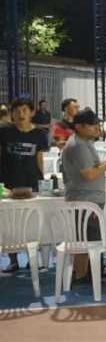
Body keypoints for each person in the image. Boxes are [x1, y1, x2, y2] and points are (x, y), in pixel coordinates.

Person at [62, 109, 106, 283]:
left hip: (89, 199)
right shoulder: (78, 146)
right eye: (92, 125)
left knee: (86, 240)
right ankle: (82, 277)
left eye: (97, 124)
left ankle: (85, 274)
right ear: (79, 127)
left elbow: (94, 168)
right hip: (85, 200)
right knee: (86, 242)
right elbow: (89, 174)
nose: (96, 128)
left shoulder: (85, 142)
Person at [0, 99, 49, 273]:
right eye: (17, 111)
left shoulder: (39, 134)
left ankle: (32, 259)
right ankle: (13, 260)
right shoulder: (4, 132)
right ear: (12, 113)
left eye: (25, 110)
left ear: (32, 112)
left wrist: (41, 180)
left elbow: (39, 157)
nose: (21, 114)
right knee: (9, 222)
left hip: (31, 180)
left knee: (32, 222)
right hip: (9, 181)